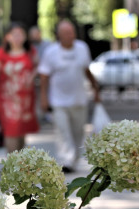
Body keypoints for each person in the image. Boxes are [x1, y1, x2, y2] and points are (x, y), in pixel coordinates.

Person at [38, 20, 101, 173]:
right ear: (59, 35)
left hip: (79, 100)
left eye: (71, 32)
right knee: (62, 131)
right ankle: (65, 160)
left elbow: (87, 70)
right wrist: (44, 98)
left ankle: (74, 160)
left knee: (78, 132)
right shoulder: (51, 52)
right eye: (65, 33)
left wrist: (95, 89)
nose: (69, 36)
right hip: (58, 101)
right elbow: (44, 77)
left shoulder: (82, 48)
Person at [0, 22, 39, 153]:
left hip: (26, 99)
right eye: (14, 34)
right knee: (11, 132)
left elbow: (39, 67)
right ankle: (12, 164)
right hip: (7, 100)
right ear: (7, 37)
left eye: (20, 34)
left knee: (22, 132)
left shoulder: (31, 52)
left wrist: (32, 76)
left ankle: (20, 165)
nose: (17, 37)